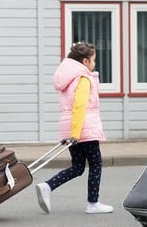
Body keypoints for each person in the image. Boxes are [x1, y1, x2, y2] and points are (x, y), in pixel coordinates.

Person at [35, 42, 113, 214]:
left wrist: (72, 133)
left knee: (78, 167)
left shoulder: (68, 78)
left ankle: (48, 186)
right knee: (96, 164)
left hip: (71, 128)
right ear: (85, 61)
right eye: (94, 60)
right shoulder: (83, 78)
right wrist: (76, 134)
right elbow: (79, 106)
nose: (95, 64)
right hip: (83, 130)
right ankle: (93, 203)